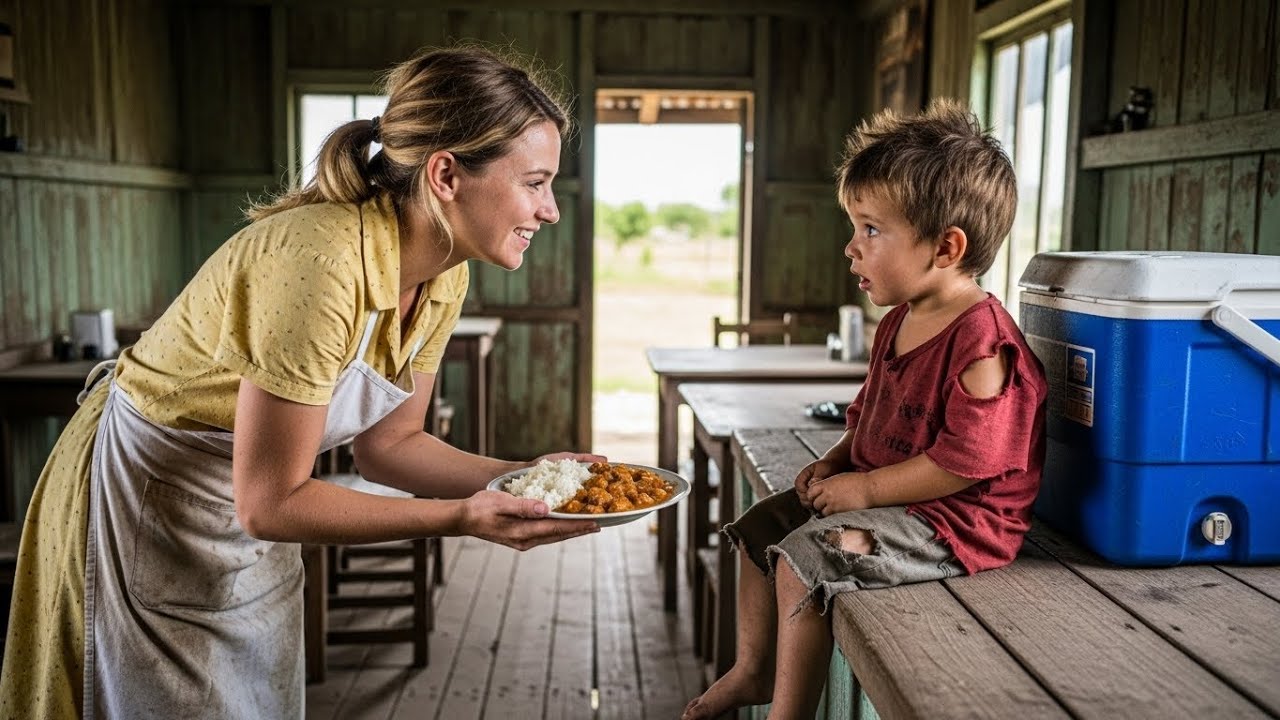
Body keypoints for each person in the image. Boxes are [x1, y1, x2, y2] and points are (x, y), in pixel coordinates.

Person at [0, 45, 603, 720]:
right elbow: (271, 501)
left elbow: (393, 445)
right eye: (535, 182)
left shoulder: (444, 274)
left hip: (250, 515)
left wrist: (523, 479)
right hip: (149, 499)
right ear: (446, 175)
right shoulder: (319, 260)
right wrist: (460, 518)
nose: (549, 210)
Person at [682, 99, 1048, 720]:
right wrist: (836, 462)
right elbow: (871, 415)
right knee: (757, 530)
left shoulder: (981, 341)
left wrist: (867, 488)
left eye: (871, 230)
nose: (851, 247)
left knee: (807, 559)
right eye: (855, 227)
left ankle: (789, 714)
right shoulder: (900, 320)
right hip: (890, 498)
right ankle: (751, 672)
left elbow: (969, 464)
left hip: (952, 524)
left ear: (946, 248)